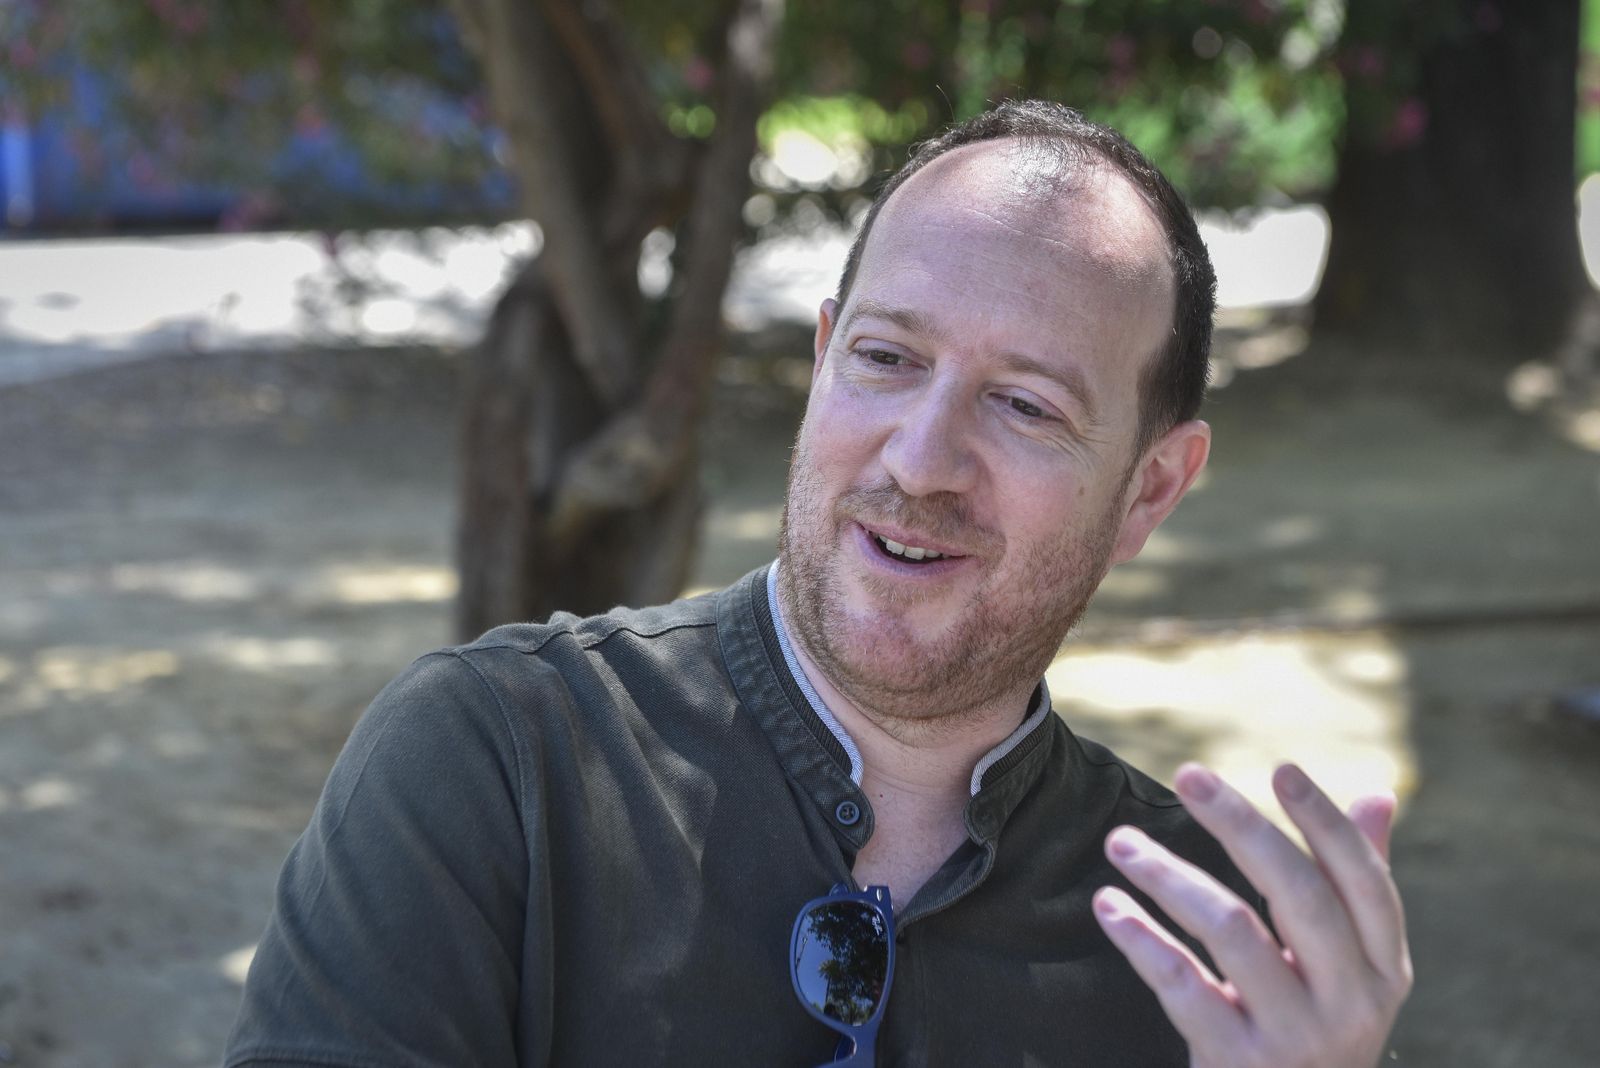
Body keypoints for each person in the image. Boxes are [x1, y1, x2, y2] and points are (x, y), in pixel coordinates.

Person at [225, 100, 1411, 1067]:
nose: (918, 459)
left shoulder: (1215, 960)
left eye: (1025, 406)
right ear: (822, 359)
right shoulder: (496, 760)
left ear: (1150, 490)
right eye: (886, 360)